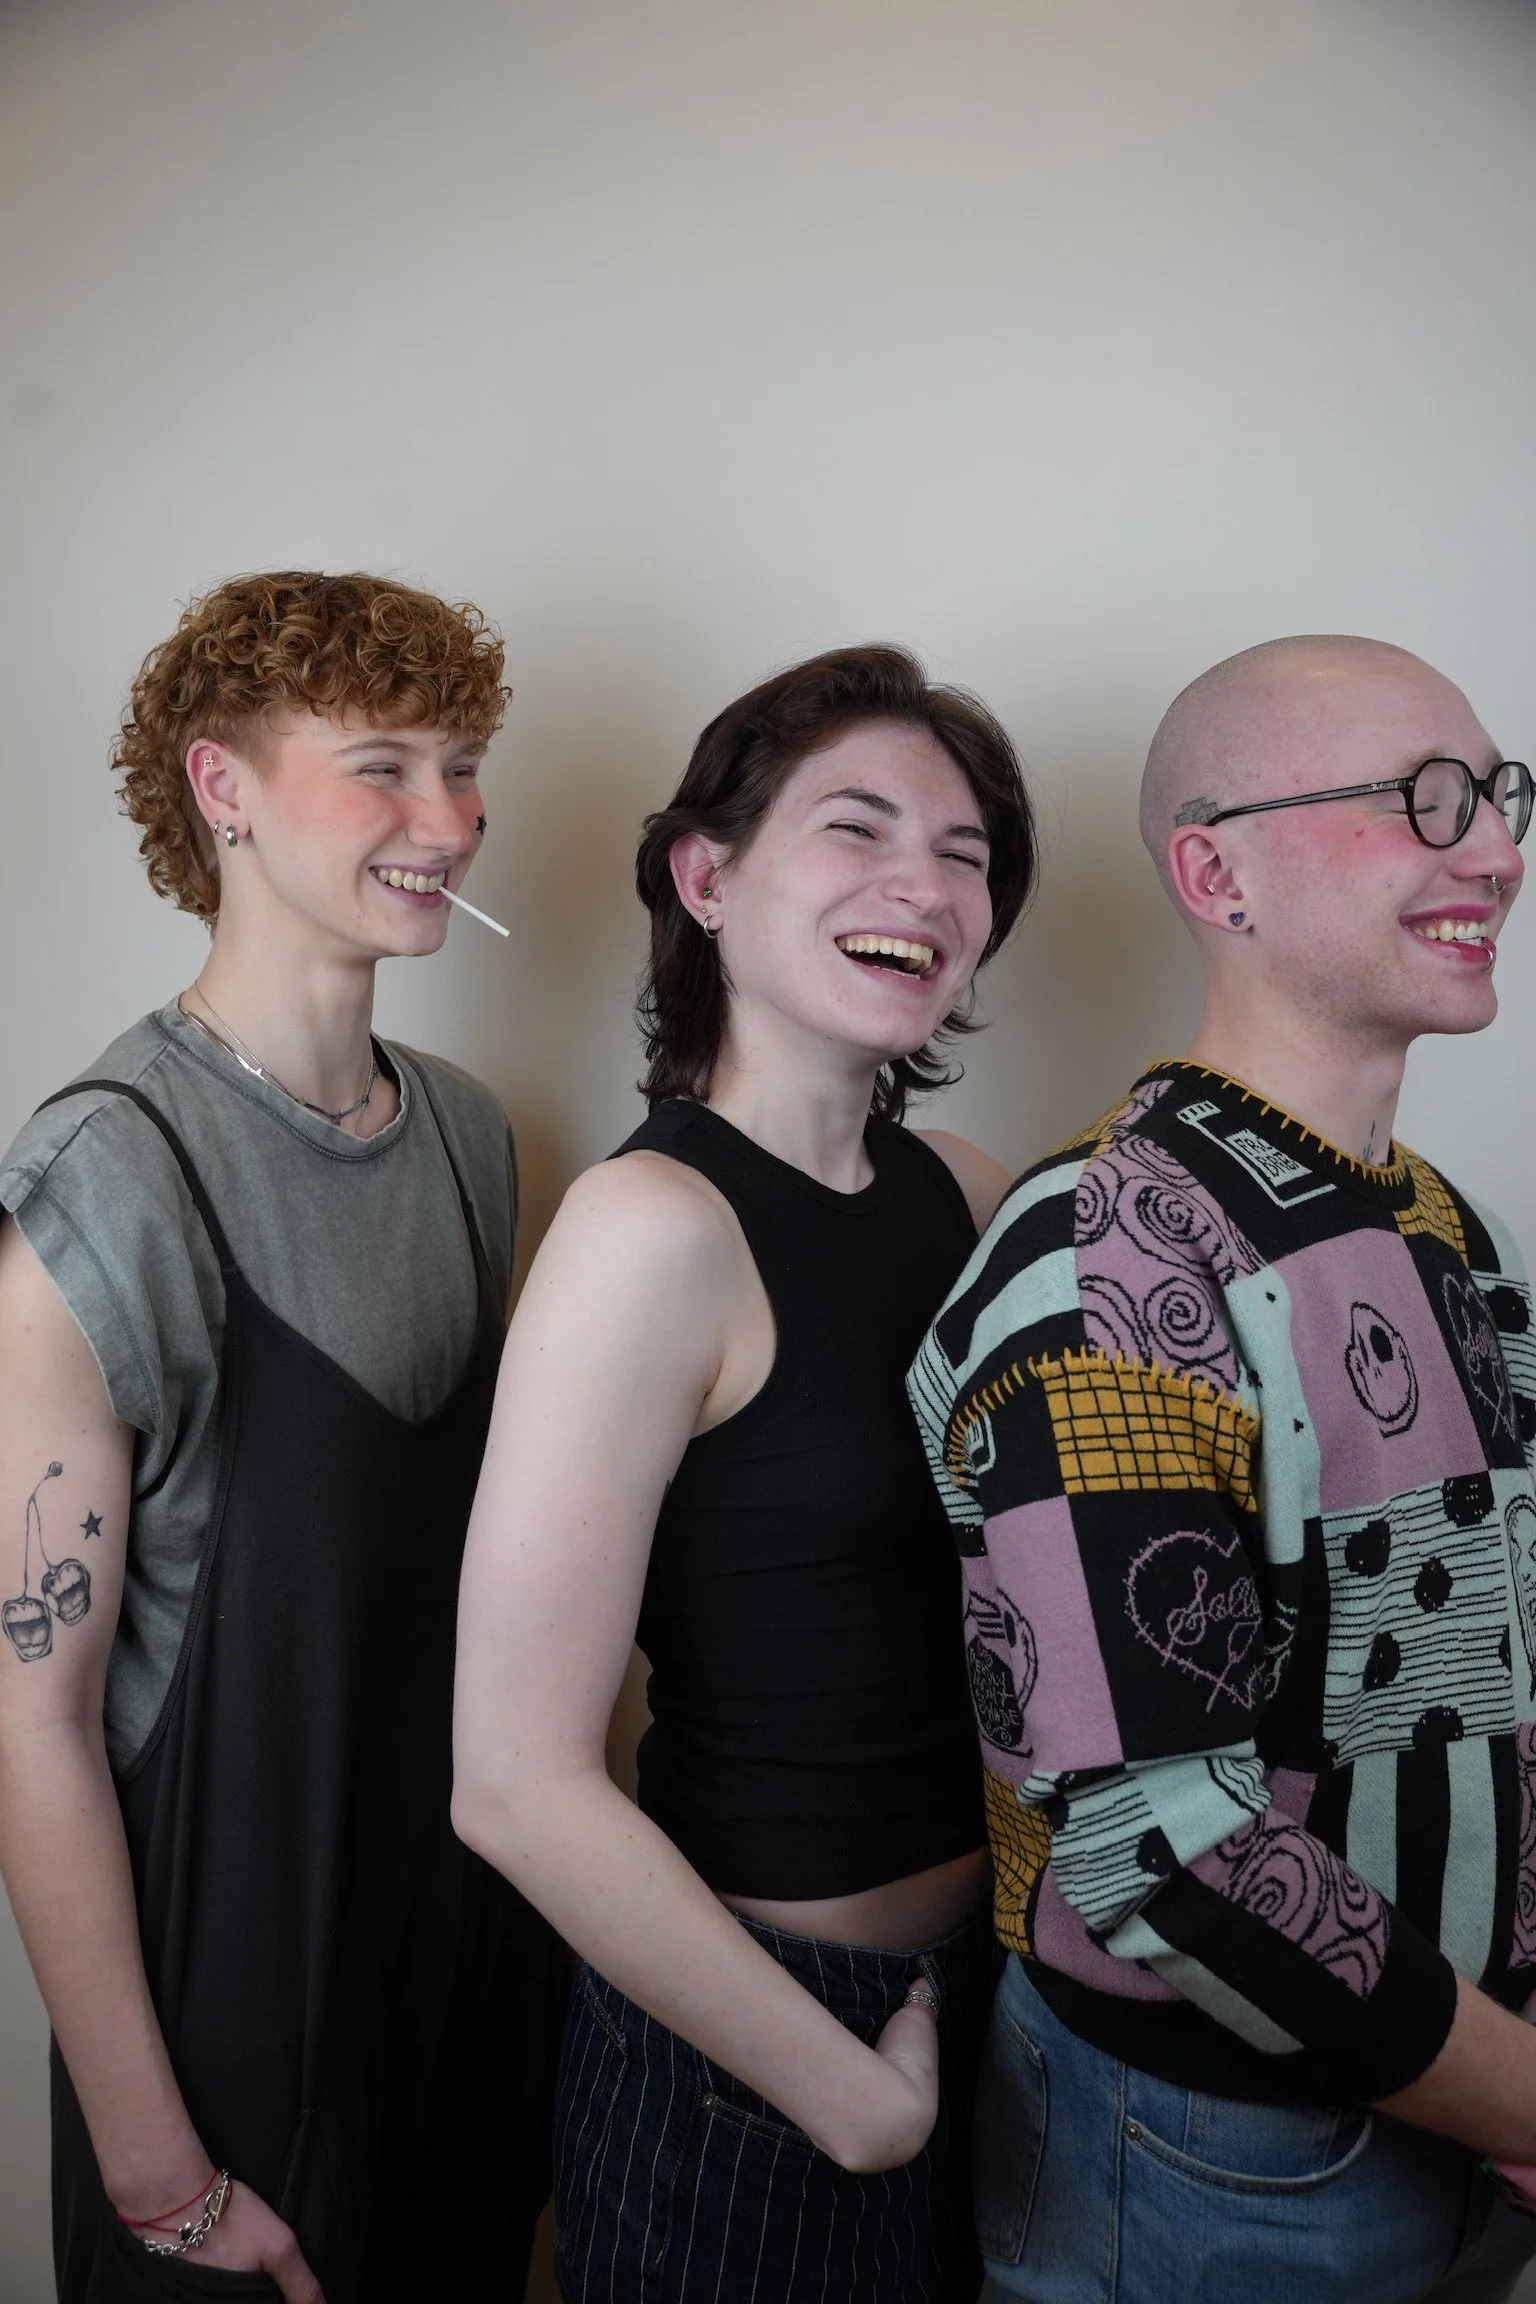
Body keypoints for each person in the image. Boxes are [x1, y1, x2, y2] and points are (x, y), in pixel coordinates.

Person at [908, 634, 1536, 2303]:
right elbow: (1163, 1855)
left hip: (1454, 2110)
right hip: (1222, 2162)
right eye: (1427, 800)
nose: (1495, 850)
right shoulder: (1105, 1260)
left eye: (1499, 797)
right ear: (1215, 871)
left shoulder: (1436, 1220)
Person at [0, 572, 564, 2304]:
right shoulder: (110, 1179)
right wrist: (157, 2166)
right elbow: (33, 1722)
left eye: (463, 768)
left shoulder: (473, 1141)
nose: (448, 820)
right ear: (222, 788)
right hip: (227, 2048)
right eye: (382, 766)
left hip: (463, 1985)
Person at [453, 644, 1037, 2301]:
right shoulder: (651, 1232)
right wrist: (842, 2094)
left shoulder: (974, 1193)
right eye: (857, 830)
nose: (922, 887)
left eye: (968, 853)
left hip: (1005, 2003)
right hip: (755, 2066)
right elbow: (511, 1778)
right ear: (705, 878)